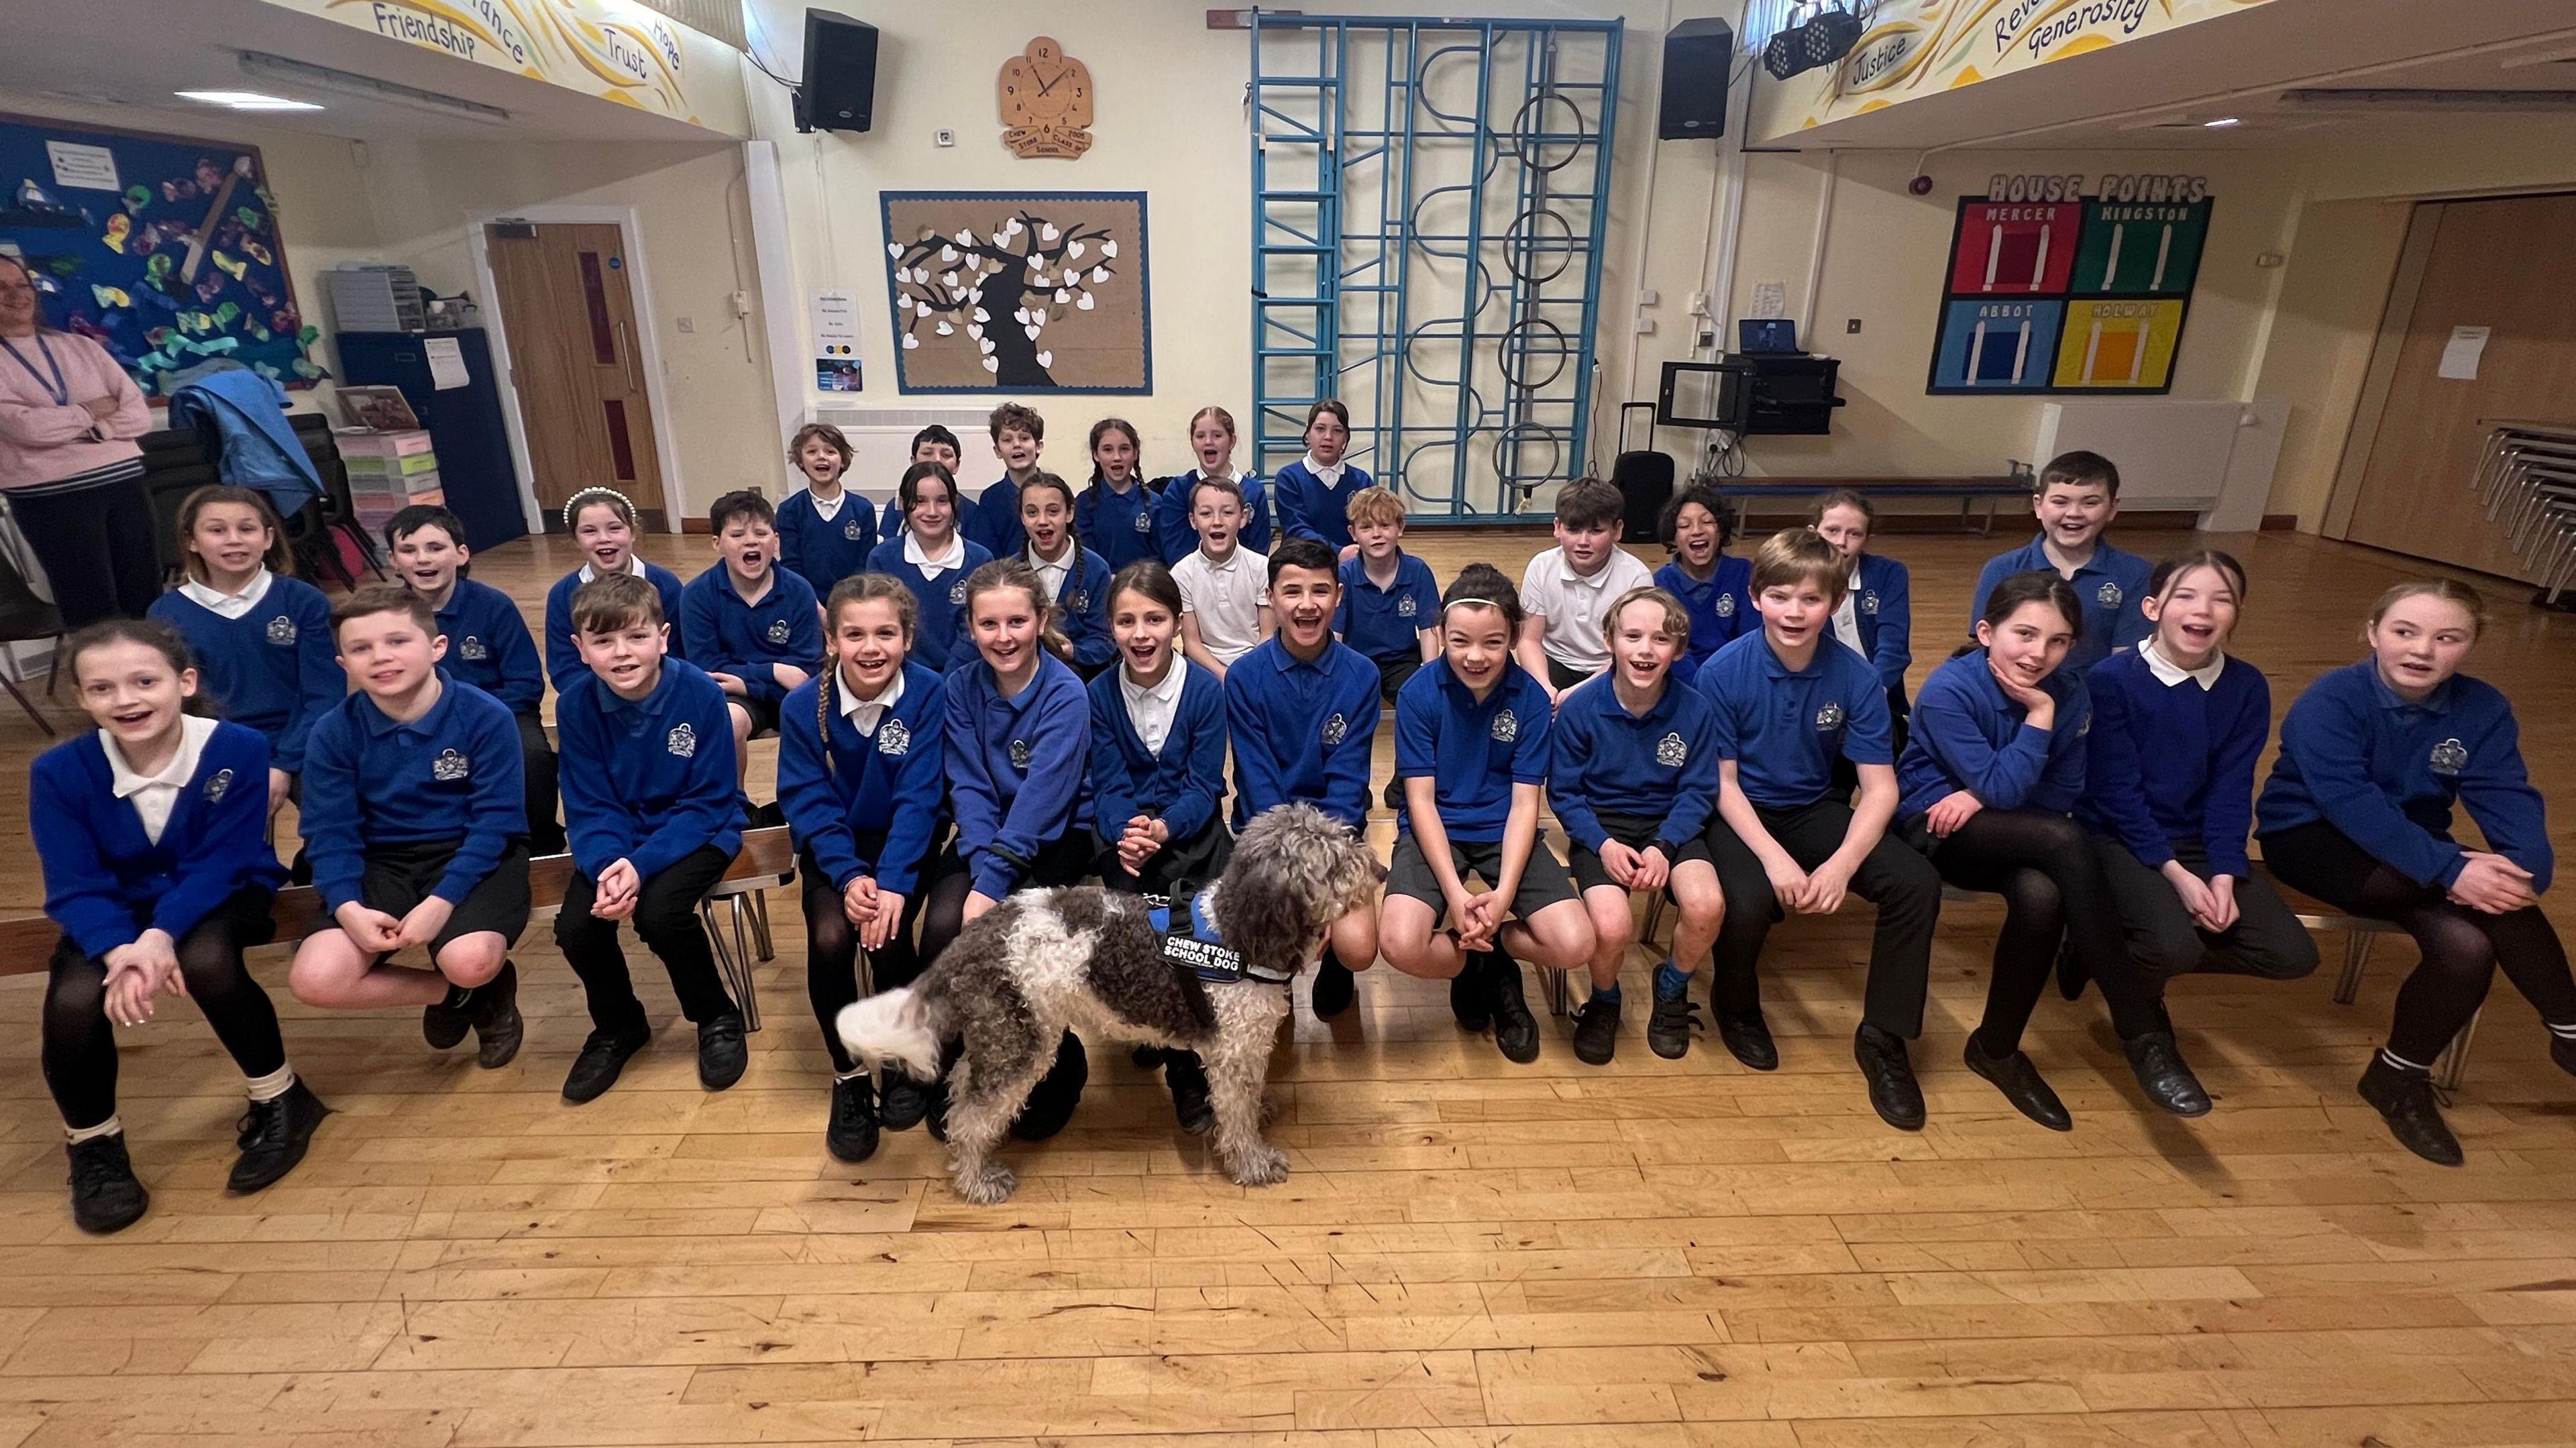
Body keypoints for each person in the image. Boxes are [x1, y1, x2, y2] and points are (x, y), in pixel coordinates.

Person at [2258, 579, 2576, 1166]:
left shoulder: (2482, 708)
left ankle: (2398, 1076)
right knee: (2469, 903)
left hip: (2416, 846)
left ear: (2470, 644)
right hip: (2311, 836)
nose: (2423, 650)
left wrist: (2526, 869)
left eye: (2447, 637)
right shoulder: (2333, 699)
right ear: (2374, 632)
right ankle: (2570, 1028)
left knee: (2468, 942)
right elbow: (2349, 803)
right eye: (2406, 632)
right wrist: (2453, 868)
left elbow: (2507, 793)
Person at [32, 620, 325, 1233]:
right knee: (74, 997)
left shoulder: (238, 747)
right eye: (103, 688)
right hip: (113, 909)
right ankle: (95, 1145)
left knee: (209, 959)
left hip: (220, 889)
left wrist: (160, 937)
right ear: (84, 699)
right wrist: (120, 949)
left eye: (145, 681)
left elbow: (222, 859)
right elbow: (75, 884)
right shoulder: (58, 771)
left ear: (184, 682)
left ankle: (281, 1097)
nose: (127, 699)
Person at [1896, 571, 2209, 1129]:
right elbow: (2008, 791)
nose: (2039, 654)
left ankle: (1996, 1048)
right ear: (1987, 632)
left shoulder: (2072, 693)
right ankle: (2140, 1030)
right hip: (1935, 826)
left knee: (2042, 897)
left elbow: (2063, 790)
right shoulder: (1951, 689)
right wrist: (2035, 721)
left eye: (2059, 641)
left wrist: (1981, 789)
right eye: (2025, 634)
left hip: (2022, 827)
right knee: (2065, 838)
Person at [1698, 529, 1943, 1129]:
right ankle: (1735, 1004)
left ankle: (1884, 1036)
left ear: (1833, 604)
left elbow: (1881, 788)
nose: (1795, 612)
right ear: (1756, 598)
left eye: (1811, 599)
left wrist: (1840, 864)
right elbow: (1722, 785)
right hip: (1739, 810)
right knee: (1749, 899)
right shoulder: (1723, 671)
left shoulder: (1857, 677)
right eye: (1781, 597)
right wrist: (1777, 860)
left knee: (1915, 882)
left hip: (1811, 807)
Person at [286, 586, 530, 1070]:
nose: (381, 657)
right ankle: (461, 996)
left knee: (471, 958)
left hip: (472, 852)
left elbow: (495, 822)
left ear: (437, 648)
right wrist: (348, 906)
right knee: (316, 979)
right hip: (382, 860)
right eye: (361, 648)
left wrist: (441, 904)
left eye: (397, 641)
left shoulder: (486, 716)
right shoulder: (333, 732)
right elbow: (329, 834)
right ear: (344, 665)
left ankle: (481, 978)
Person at [2081, 551, 2316, 1017]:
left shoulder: (2247, 686)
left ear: (2238, 611)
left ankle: (2107, 956)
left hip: (2198, 841)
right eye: (2185, 596)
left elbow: (2232, 788)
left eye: (2221, 599)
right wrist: (2179, 877)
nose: (2203, 611)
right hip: (2120, 836)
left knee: (2292, 955)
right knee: (2174, 947)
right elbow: (2116, 793)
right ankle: (2138, 1008)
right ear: (2152, 608)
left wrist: (2225, 874)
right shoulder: (2111, 679)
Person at [1381, 563, 1597, 1064]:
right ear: (1441, 635)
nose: (1475, 656)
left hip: (1505, 832)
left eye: (1493, 643)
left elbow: (1526, 804)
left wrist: (1499, 900)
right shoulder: (1418, 693)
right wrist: (1458, 897)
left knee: (1575, 943)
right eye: (1460, 642)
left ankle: (1495, 951)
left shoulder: (1529, 700)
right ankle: (1472, 961)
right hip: (1437, 830)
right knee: (1398, 941)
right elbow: (1421, 801)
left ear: (1516, 637)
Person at [551, 571, 749, 1104]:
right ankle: (619, 1026)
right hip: (617, 838)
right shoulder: (574, 705)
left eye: (636, 636)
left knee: (661, 913)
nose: (622, 652)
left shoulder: (700, 694)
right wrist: (612, 863)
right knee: (577, 926)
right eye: (603, 640)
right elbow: (590, 805)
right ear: (581, 649)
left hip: (699, 828)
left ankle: (714, 1013)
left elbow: (709, 802)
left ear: (663, 637)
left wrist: (640, 867)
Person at [920, 560, 1094, 1139]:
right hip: (984, 835)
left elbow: (1044, 798)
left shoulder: (1066, 692)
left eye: (1017, 620)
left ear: (1042, 620)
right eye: (988, 624)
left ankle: (1057, 1065)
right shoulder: (961, 687)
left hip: (1053, 835)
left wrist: (991, 885)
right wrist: (980, 869)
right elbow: (968, 784)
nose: (1004, 636)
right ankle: (959, 1068)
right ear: (970, 628)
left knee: (1019, 943)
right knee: (942, 927)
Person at [777, 573, 948, 1162]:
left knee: (888, 938)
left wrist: (894, 883)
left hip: (905, 841)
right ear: (831, 640)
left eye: (885, 633)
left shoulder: (929, 694)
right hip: (837, 846)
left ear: (907, 638)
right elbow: (808, 800)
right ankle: (848, 1073)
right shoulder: (804, 706)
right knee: (829, 939)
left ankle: (903, 1055)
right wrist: (851, 876)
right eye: (855, 634)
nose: (870, 647)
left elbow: (920, 797)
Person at [1547, 587, 1725, 1065]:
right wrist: (1603, 845)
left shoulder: (1696, 709)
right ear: (1610, 640)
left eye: (1661, 639)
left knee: (1708, 904)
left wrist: (1665, 846)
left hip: (1670, 826)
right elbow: (1564, 793)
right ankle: (1605, 999)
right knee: (1610, 925)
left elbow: (1699, 789)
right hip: (1601, 828)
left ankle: (1671, 985)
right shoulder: (1581, 710)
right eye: (1633, 635)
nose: (1646, 649)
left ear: (1679, 650)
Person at [1090, 558, 1235, 1132]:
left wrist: (1163, 828)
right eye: (1127, 621)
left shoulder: (1203, 690)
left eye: (1154, 618)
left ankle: (1186, 1070)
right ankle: (1155, 1025)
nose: (1141, 633)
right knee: (1138, 940)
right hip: (1127, 838)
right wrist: (1129, 831)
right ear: (1111, 629)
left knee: (1185, 942)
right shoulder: (1099, 692)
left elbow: (1206, 784)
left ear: (1177, 623)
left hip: (1190, 838)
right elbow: (1105, 782)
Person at [1225, 538, 1382, 1018]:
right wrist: (1300, 884)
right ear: (1271, 598)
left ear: (1338, 595)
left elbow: (1348, 785)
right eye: (1292, 591)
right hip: (1266, 838)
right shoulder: (1245, 676)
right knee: (1265, 929)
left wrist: (1323, 878)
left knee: (1359, 945)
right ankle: (1279, 973)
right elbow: (1258, 784)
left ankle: (1336, 964)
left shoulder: (1362, 674)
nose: (1307, 604)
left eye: (1320, 591)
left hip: (1335, 836)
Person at [148, 486, 339, 825]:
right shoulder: (167, 612)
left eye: (247, 529)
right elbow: (182, 704)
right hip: (216, 746)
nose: (234, 540)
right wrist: (238, 758)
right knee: (215, 832)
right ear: (191, 541)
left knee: (338, 821)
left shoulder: (303, 601)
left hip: (304, 740)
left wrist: (283, 765)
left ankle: (311, 869)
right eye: (217, 530)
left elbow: (324, 694)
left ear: (268, 539)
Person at [384, 504, 562, 854]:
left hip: (500, 714)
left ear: (461, 554)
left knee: (534, 757)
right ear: (393, 560)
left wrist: (471, 720)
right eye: (409, 550)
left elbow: (526, 684)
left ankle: (541, 844)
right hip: (414, 719)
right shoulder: (385, 615)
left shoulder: (494, 606)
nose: (423, 560)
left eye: (436, 548)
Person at [0, 253, 158, 628]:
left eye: (22, 285)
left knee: (147, 601)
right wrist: (92, 412)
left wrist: (92, 429)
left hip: (124, 484)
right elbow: (27, 429)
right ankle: (103, 686)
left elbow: (138, 415)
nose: (16, 295)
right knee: (92, 609)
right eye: (1, 288)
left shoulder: (81, 347)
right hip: (51, 497)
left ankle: (157, 682)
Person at [680, 489, 821, 807]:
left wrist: (750, 677)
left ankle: (812, 802)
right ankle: (734, 807)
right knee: (727, 719)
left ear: (776, 540)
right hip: (737, 695)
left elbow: (805, 670)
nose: (751, 541)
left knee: (829, 719)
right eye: (737, 534)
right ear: (717, 543)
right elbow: (707, 667)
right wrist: (772, 671)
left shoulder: (798, 590)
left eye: (761, 532)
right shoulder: (697, 595)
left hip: (793, 692)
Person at [1970, 450, 2151, 679]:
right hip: (2014, 693)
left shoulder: (2135, 574)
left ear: (2112, 509)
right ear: (2038, 505)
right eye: (2060, 502)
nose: (2074, 513)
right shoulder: (2001, 569)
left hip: (2095, 699)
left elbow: (2126, 660)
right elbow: (1986, 650)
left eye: (2090, 502)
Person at [1517, 476, 1656, 701]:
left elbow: (1631, 651)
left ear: (1617, 530)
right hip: (1554, 662)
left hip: (1612, 667)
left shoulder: (1636, 577)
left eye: (1596, 531)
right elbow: (1529, 640)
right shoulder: (1541, 567)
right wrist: (1544, 687)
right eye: (1573, 530)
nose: (1583, 541)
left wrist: (1577, 694)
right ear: (1557, 528)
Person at [543, 487, 686, 692]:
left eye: (614, 528)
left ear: (633, 532)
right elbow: (564, 667)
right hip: (596, 700)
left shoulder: (665, 584)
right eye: (590, 531)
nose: (604, 538)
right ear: (575, 539)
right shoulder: (563, 594)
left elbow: (680, 651)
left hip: (662, 693)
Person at [867, 461, 994, 673]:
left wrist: (948, 681)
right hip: (900, 676)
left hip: (965, 676)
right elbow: (881, 628)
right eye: (920, 502)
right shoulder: (882, 559)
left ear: (955, 504)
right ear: (904, 505)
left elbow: (976, 630)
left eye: (942, 501)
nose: (932, 511)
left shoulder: (980, 560)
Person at [1811, 489, 1913, 748]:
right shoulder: (1798, 579)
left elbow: (1894, 648)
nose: (1841, 542)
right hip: (1818, 697)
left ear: (1867, 538)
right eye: (1832, 531)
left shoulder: (1889, 574)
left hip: (1877, 694)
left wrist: (1869, 697)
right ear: (1813, 533)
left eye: (1854, 534)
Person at [1332, 485, 1440, 704]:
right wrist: (1336, 676)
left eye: (1385, 525)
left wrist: (1431, 676)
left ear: (1400, 528)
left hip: (1402, 661)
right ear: (1353, 534)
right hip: (1356, 660)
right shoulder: (1344, 575)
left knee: (1421, 699)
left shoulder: (1418, 571)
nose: (1376, 535)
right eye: (1366, 527)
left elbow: (1429, 630)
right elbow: (1336, 635)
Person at [1172, 474, 1273, 681]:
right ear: (1193, 520)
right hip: (1205, 669)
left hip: (1256, 665)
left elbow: (1268, 634)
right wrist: (1224, 676)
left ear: (1243, 517)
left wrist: (1243, 675)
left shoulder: (1262, 567)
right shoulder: (1182, 573)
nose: (1217, 522)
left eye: (1227, 513)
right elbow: (1192, 643)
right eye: (1206, 513)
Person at [1653, 484, 1754, 689]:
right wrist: (1702, 687)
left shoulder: (1743, 573)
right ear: (1673, 537)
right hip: (1686, 685)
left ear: (1721, 531)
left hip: (1737, 678)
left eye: (1707, 522)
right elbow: (1671, 649)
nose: (1697, 531)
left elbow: (1751, 639)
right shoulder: (1662, 583)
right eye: (1684, 526)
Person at [1020, 471, 1114, 677]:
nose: (1043, 521)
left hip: (1084, 674)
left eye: (1053, 511)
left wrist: (1074, 651)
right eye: (1032, 512)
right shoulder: (1011, 572)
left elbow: (1104, 640)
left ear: (1069, 513)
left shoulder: (1096, 569)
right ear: (1022, 517)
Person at [1155, 405, 1271, 563]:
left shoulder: (1254, 491)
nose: (1208, 442)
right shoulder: (1179, 490)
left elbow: (1259, 550)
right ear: (1193, 443)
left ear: (1232, 442)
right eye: (1200, 436)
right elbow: (1174, 549)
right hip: (1192, 581)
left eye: (1217, 436)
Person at [776, 421, 875, 599]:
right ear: (800, 461)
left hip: (852, 601)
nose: (822, 457)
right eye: (812, 451)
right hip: (807, 601)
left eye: (830, 451)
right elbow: (791, 566)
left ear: (843, 459)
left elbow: (865, 567)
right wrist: (814, 606)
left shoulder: (863, 509)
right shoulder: (789, 510)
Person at [1272, 399, 1374, 559]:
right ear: (1308, 434)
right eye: (1320, 429)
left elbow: (1370, 527)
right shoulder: (1289, 478)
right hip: (1301, 562)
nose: (1328, 437)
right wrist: (1337, 553)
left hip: (1351, 563)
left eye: (1337, 431)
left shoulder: (1362, 481)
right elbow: (1296, 529)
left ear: (1346, 438)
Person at [1075, 416, 1163, 572]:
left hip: (1143, 588)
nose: (1117, 457)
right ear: (1096, 455)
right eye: (1108, 450)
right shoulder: (1084, 504)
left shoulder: (1154, 503)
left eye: (1124, 449)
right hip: (1102, 586)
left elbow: (1159, 558)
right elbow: (1086, 557)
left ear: (1135, 453)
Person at [966, 402, 1046, 561]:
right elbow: (989, 554)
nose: (1017, 445)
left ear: (1038, 446)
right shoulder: (991, 499)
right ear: (998, 451)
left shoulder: (1054, 491)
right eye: (1007, 440)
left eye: (1024, 438)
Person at [877, 424, 973, 542]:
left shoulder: (972, 511)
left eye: (946, 455)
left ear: (957, 465)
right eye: (928, 453)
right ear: (914, 461)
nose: (937, 460)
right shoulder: (897, 507)